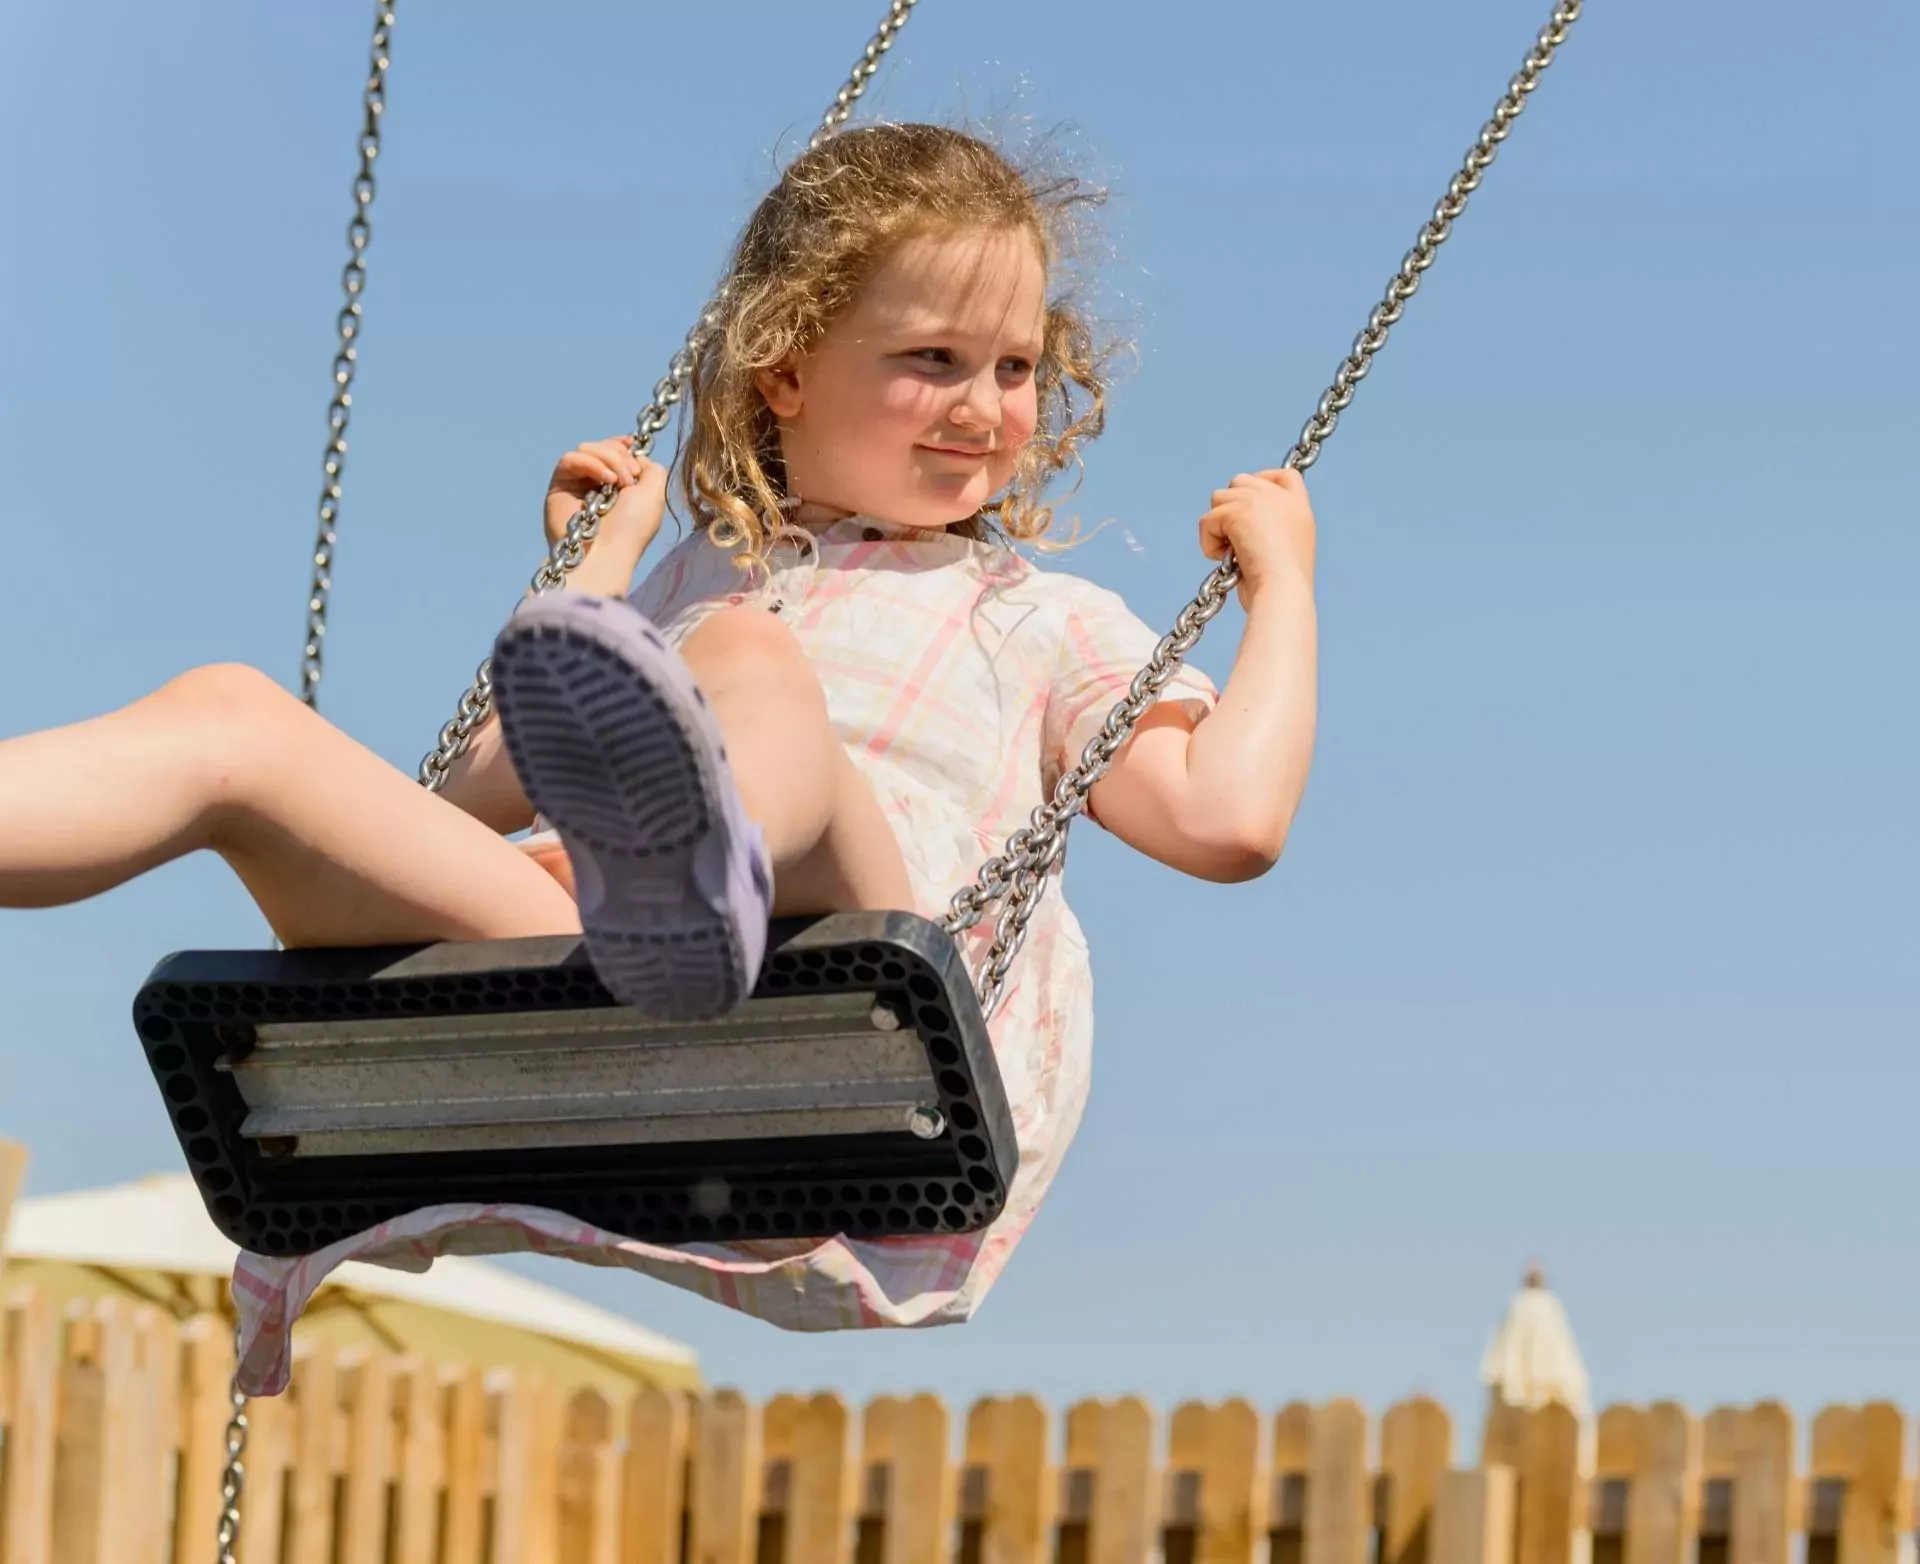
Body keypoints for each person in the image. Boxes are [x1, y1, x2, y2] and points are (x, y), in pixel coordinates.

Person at [0, 124, 1319, 1394]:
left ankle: (706, 882)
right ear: (787, 369)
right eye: (934, 358)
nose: (985, 406)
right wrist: (598, 574)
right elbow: (458, 804)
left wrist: (1287, 588)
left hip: (843, 1014)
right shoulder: (689, 583)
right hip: (581, 969)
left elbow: (1228, 819)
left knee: (746, 658)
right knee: (231, 721)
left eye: (1016, 367)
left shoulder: (1039, 619)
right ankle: (672, 894)